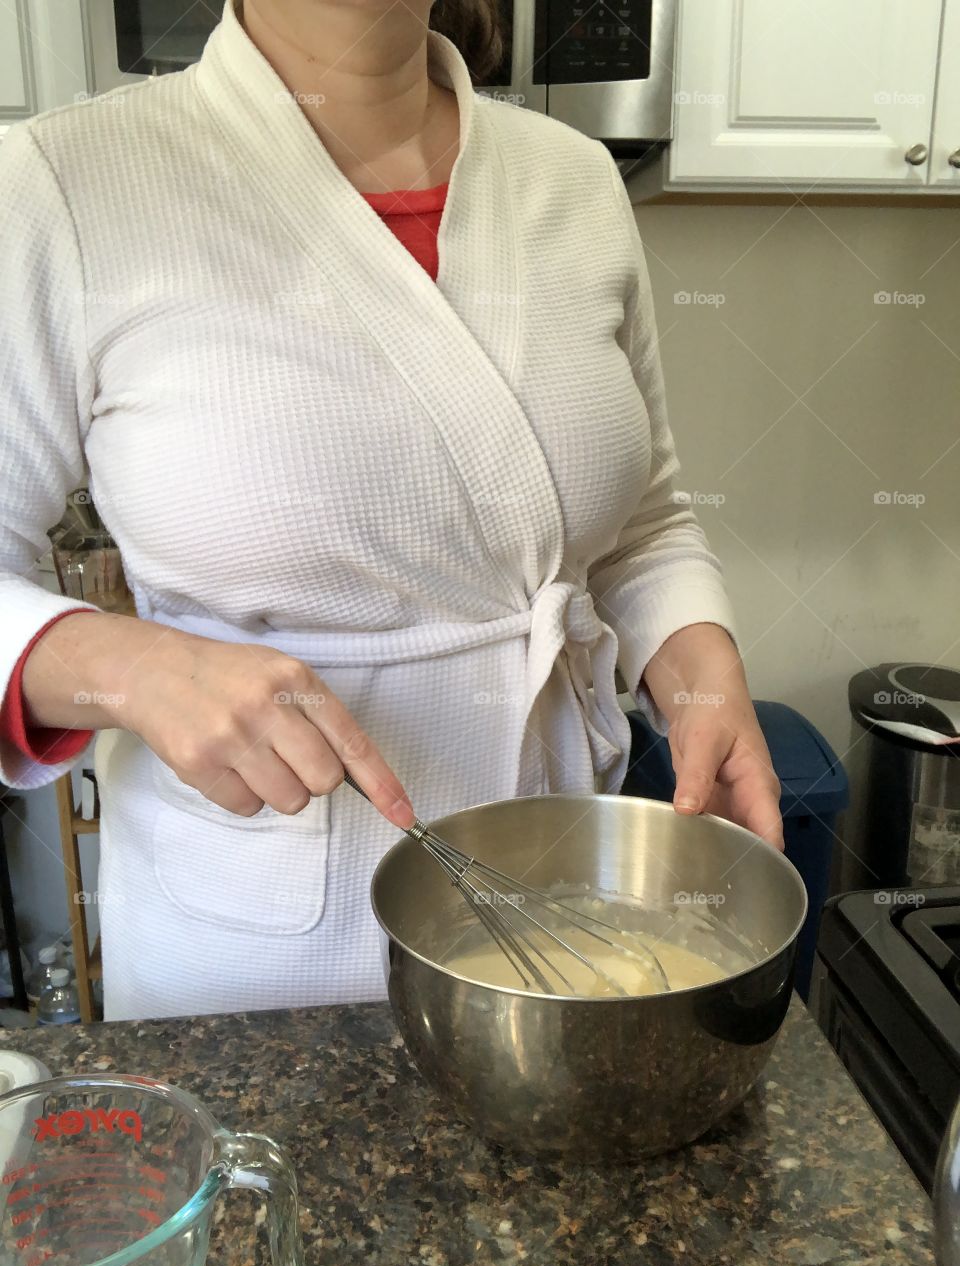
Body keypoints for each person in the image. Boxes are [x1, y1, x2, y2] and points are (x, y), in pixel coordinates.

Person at [0, 0, 782, 1021]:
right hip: (260, 976)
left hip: (560, 918)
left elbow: (645, 524)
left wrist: (703, 680)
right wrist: (127, 666)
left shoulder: (576, 181)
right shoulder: (60, 187)